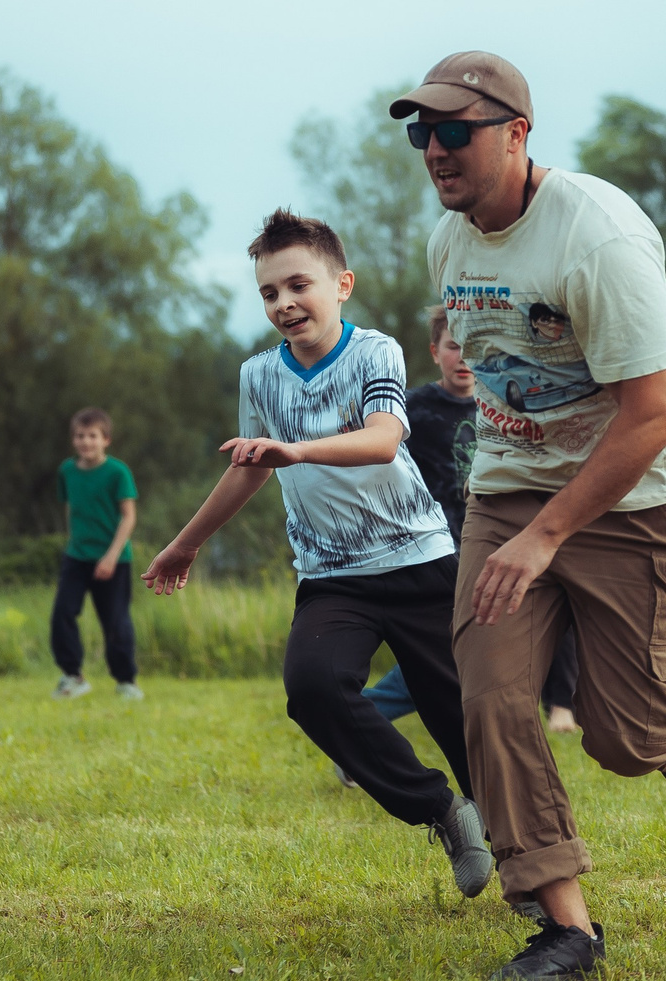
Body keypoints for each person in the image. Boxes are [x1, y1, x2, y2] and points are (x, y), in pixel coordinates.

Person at [402, 50, 666, 981]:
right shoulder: (450, 244)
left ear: (517, 133)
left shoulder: (599, 239)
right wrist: (521, 526)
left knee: (627, 741)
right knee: (491, 696)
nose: (436, 150)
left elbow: (653, 413)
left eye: (456, 130)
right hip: (509, 488)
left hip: (633, 497)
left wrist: (552, 536)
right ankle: (565, 931)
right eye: (423, 132)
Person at [143, 211, 495, 899]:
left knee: (469, 727)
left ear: (342, 285)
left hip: (420, 563)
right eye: (269, 293)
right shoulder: (259, 377)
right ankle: (441, 811)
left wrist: (295, 449)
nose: (283, 303)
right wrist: (186, 543)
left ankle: (528, 854)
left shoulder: (376, 352)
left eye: (297, 285)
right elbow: (249, 466)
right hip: (333, 578)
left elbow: (382, 437)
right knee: (312, 689)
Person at [363, 307, 583, 740]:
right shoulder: (410, 409)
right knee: (457, 651)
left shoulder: (508, 401)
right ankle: (364, 716)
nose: (463, 357)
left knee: (554, 606)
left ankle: (559, 702)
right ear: (435, 352)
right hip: (443, 548)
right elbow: (377, 466)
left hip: (510, 535)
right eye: (452, 347)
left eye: (472, 348)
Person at [51, 407, 142, 701]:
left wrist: (111, 556)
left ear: (106, 440)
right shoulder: (67, 471)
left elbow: (128, 517)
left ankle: (126, 682)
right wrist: (73, 544)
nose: (85, 441)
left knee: (115, 622)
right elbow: (71, 508)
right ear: (73, 439)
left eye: (92, 436)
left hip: (114, 558)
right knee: (63, 613)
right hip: (77, 556)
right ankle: (73, 677)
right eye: (80, 436)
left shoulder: (117, 472)